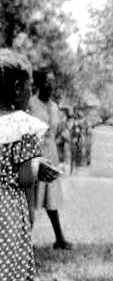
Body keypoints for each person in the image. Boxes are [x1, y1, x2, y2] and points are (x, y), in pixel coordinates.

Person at [0, 49, 57, 281]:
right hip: (6, 215)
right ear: (16, 89)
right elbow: (24, 178)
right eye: (28, 87)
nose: (30, 94)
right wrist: (37, 163)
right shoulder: (22, 126)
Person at [29, 69, 72, 249]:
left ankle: (59, 239)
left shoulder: (55, 107)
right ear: (38, 84)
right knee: (29, 198)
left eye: (53, 82)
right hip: (33, 154)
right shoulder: (30, 104)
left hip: (51, 154)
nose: (51, 85)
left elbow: (56, 131)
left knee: (51, 196)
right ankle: (22, 241)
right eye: (47, 82)